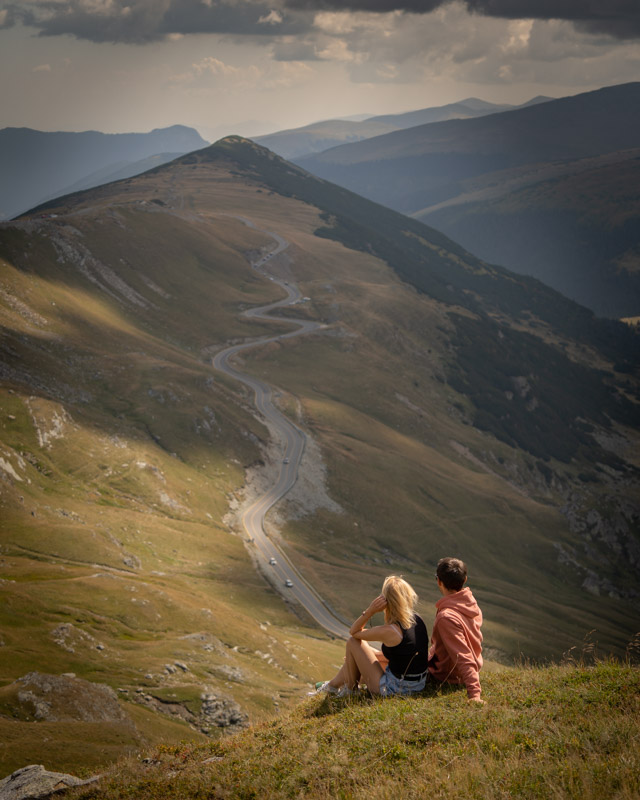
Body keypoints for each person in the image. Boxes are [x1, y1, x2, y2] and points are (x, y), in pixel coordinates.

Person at [315, 575, 429, 696]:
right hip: (418, 684)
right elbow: (403, 656)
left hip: (396, 689)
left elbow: (354, 632)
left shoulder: (391, 631)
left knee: (354, 642)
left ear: (386, 602)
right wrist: (369, 655)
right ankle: (332, 685)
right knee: (362, 653)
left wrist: (370, 610)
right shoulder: (417, 620)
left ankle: (350, 690)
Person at [428, 557, 484, 703]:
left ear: (439, 582)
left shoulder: (446, 618)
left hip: (445, 676)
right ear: (464, 579)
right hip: (459, 670)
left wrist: (474, 695)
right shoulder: (471, 604)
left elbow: (463, 656)